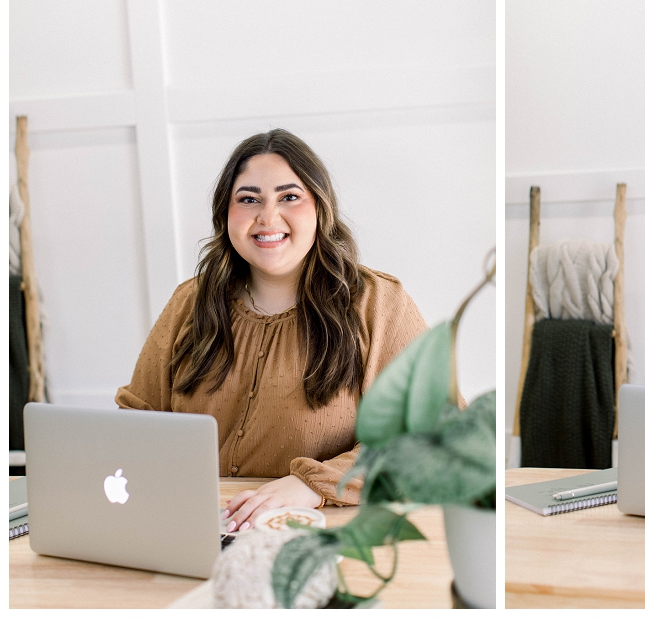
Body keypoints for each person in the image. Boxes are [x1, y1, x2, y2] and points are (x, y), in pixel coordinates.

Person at [116, 129, 428, 532]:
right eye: (249, 199)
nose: (267, 217)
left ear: (320, 207)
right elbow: (136, 422)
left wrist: (312, 485)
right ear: (225, 213)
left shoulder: (379, 303)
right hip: (194, 532)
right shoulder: (189, 302)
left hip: (329, 536)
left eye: (289, 197)